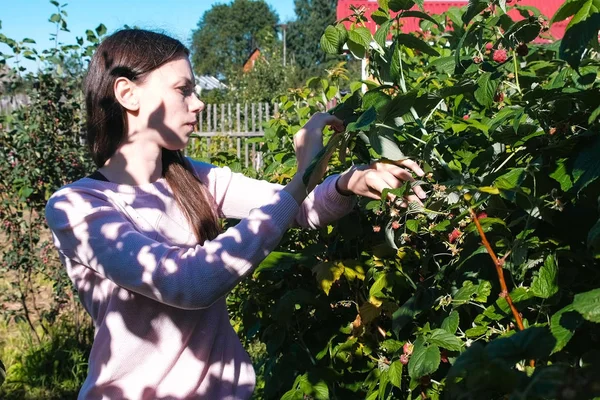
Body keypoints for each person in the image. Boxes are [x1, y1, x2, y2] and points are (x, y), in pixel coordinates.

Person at [45, 29, 426, 400]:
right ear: (128, 93)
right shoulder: (77, 206)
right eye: (183, 90)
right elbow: (189, 282)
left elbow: (293, 208)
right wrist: (303, 177)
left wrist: (349, 180)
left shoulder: (194, 177)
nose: (198, 103)